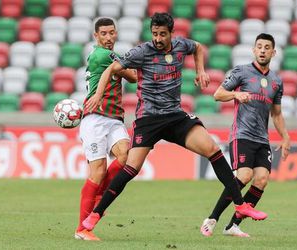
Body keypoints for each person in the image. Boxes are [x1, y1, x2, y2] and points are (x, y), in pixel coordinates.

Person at [81, 12, 268, 236]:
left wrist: (200, 70)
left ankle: (240, 205)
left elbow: (198, 47)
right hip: (148, 119)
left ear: (171, 33)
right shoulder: (142, 51)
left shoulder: (181, 45)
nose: (158, 39)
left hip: (174, 116)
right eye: (155, 34)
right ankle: (95, 214)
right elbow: (112, 68)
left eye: (162, 34)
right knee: (131, 168)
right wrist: (98, 94)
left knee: (213, 149)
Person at [200, 33, 291, 237]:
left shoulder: (276, 81)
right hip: (241, 135)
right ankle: (212, 218)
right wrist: (236, 94)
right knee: (244, 175)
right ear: (253, 50)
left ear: (273, 52)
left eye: (267, 47)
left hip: (262, 138)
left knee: (261, 180)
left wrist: (285, 136)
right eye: (259, 46)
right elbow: (217, 94)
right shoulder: (241, 72)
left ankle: (232, 225)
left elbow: (276, 113)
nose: (262, 50)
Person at [74, 17, 137, 241]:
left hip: (114, 117)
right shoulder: (103, 55)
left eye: (112, 33)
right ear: (96, 36)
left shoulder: (109, 55)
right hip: (96, 119)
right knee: (98, 171)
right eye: (104, 34)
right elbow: (132, 76)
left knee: (126, 156)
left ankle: (100, 194)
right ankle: (82, 229)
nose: (109, 37)